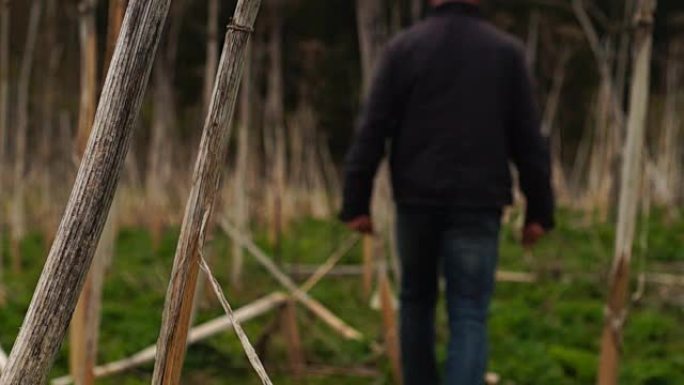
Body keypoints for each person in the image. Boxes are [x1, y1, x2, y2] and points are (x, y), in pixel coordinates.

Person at [339, 0, 555, 384]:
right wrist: (540, 210)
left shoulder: (404, 49)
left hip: (416, 200)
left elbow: (372, 129)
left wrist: (356, 201)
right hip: (479, 202)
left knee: (416, 302)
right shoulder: (505, 53)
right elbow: (529, 141)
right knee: (469, 311)